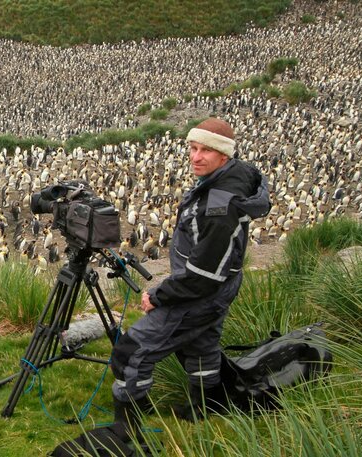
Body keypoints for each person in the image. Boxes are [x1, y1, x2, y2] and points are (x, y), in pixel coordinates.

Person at [110, 117, 271, 425]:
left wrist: (159, 295)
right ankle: (205, 410)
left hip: (202, 293)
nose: (196, 157)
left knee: (130, 352)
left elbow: (203, 275)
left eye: (205, 151)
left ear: (223, 156)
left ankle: (127, 428)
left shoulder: (220, 207)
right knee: (201, 348)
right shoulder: (225, 181)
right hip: (218, 287)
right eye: (193, 148)